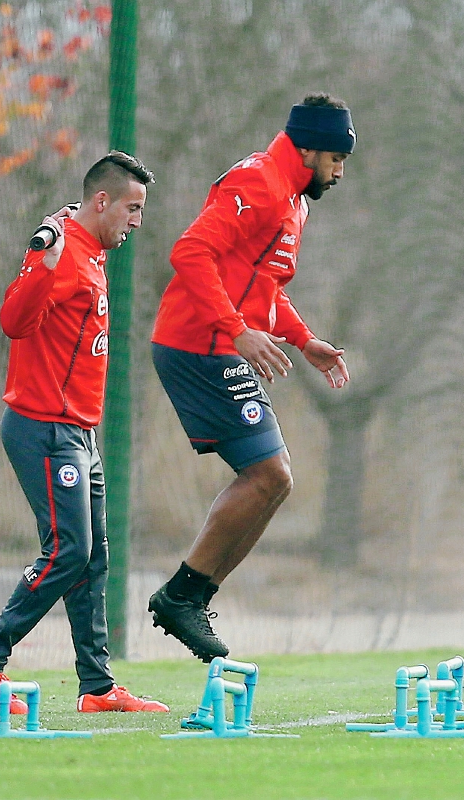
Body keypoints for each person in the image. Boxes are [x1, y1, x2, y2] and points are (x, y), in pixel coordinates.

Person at [0, 152, 168, 714]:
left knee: (92, 556)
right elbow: (12, 322)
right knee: (69, 551)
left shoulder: (90, 249)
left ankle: (96, 687)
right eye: (133, 207)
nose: (138, 219)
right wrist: (41, 262)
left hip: (79, 431)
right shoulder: (60, 250)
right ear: (102, 201)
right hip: (43, 427)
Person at [147, 94, 353, 662]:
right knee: (267, 474)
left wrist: (304, 338)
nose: (340, 172)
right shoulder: (258, 180)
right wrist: (238, 331)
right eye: (335, 158)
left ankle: (188, 596)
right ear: (307, 148)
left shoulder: (295, 201)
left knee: (275, 479)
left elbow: (264, 285)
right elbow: (190, 253)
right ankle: (183, 597)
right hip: (197, 344)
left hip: (221, 343)